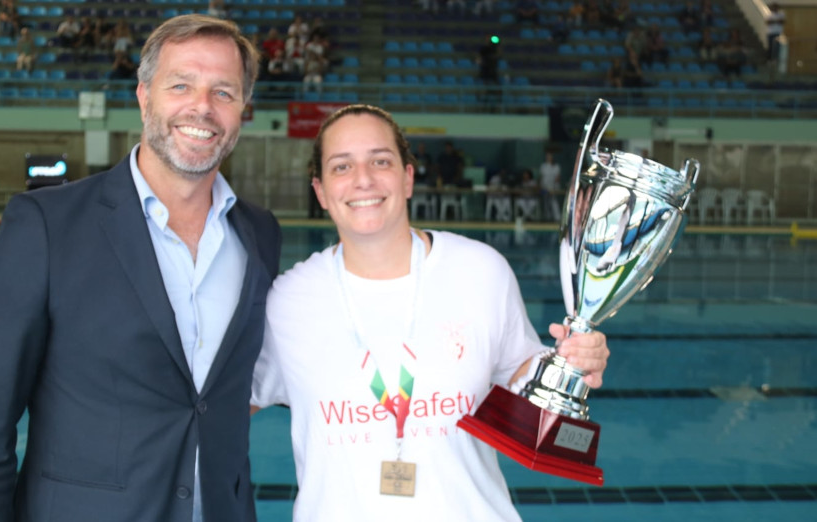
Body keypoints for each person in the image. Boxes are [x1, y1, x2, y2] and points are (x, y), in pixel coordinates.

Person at [0, 14, 281, 522]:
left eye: (223, 92)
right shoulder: (47, 226)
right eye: (181, 85)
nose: (202, 107)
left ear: (242, 110)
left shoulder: (258, 234)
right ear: (144, 95)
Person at [251, 104, 610, 521]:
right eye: (341, 166)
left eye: (380, 161)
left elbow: (523, 386)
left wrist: (574, 363)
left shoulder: (480, 270)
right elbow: (224, 404)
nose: (363, 179)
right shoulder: (289, 301)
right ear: (321, 192)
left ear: (407, 177)